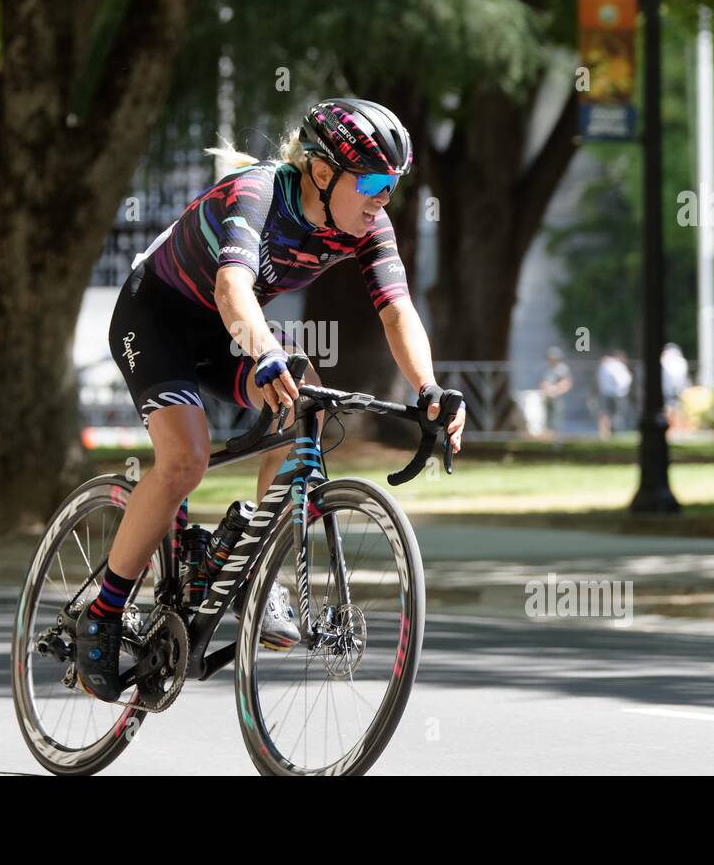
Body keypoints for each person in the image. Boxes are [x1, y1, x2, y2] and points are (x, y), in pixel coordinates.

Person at [76, 98, 467, 702]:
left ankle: (254, 561)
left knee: (303, 393)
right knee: (186, 459)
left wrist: (428, 388)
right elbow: (231, 285)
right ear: (320, 171)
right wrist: (262, 352)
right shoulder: (257, 193)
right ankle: (101, 613)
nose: (383, 196)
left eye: (393, 184)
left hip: (226, 329)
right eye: (372, 181)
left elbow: (396, 310)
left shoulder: (367, 225)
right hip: (156, 317)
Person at [596, 351, 632, 439]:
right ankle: (611, 432)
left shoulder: (605, 365)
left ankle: (606, 433)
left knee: (606, 413)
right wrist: (622, 389)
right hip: (617, 394)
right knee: (616, 414)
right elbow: (622, 380)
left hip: (606, 392)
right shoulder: (617, 366)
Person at [538, 347, 573, 438]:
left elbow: (567, 382)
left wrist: (556, 389)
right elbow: (541, 382)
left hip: (558, 397)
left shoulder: (562, 368)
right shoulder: (545, 368)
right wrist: (546, 389)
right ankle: (547, 438)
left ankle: (557, 439)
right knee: (545, 419)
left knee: (557, 419)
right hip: (546, 397)